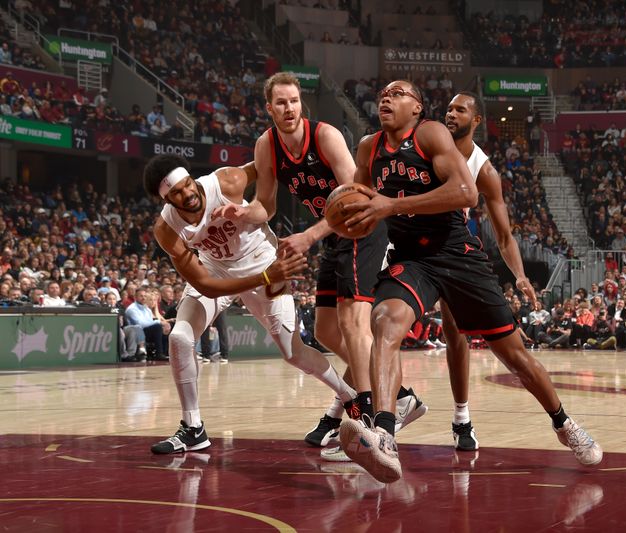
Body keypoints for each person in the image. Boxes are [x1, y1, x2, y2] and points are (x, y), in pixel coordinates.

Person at [338, 80, 602, 483]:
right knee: (385, 322)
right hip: (412, 259)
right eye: (383, 93)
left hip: (458, 256)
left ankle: (564, 424)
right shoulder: (368, 149)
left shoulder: (431, 135)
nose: (386, 97)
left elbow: (466, 194)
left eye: (398, 93)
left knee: (514, 356)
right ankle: (385, 436)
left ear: (417, 107)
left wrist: (392, 205)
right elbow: (358, 201)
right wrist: (318, 231)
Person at [236, 72, 426, 461]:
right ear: (268, 108)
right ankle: (401, 397)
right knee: (325, 331)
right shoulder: (266, 145)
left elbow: (356, 196)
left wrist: (307, 236)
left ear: (300, 104)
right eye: (280, 103)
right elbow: (266, 204)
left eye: (293, 101)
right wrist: (241, 214)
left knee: (354, 324)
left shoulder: (324, 136)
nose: (288, 108)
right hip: (332, 235)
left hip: (362, 227)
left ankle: (374, 424)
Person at [143, 154, 356, 454]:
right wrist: (265, 277)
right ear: (165, 200)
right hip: (220, 271)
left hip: (261, 258)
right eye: (177, 193)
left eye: (188, 184)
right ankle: (193, 428)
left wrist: (260, 208)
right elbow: (206, 285)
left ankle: (351, 398)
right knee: (179, 337)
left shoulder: (226, 180)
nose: (188, 193)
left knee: (292, 352)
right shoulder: (167, 230)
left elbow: (266, 166)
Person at [440, 91, 537, 451]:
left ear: (476, 120)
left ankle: (462, 419)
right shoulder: (428, 140)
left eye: (460, 109)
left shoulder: (484, 169)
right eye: (448, 108)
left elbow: (504, 235)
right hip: (407, 240)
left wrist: (520, 276)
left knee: (454, 332)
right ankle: (349, 408)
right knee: (379, 324)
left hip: (448, 249)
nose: (451, 113)